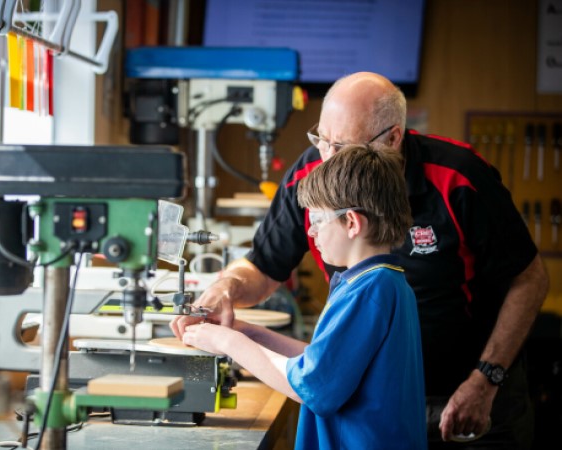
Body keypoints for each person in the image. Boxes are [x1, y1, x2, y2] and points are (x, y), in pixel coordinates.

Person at [172, 72, 549, 449]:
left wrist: (486, 378)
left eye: (342, 146)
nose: (327, 159)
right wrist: (233, 309)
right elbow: (269, 274)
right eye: (322, 141)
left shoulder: (377, 282)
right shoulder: (372, 276)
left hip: (474, 391)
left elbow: (315, 387)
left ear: (392, 138)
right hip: (391, 405)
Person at [182, 144, 426, 449]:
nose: (311, 232)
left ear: (351, 222)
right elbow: (320, 363)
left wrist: (227, 343)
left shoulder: (370, 291)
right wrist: (245, 331)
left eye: (320, 220)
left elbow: (314, 386)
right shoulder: (383, 283)